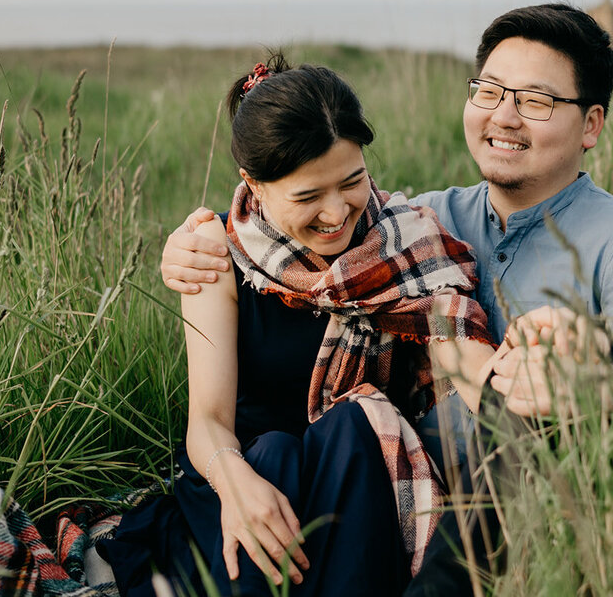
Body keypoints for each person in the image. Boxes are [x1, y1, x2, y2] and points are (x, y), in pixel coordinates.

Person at [158, 5, 613, 592]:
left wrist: (582, 382)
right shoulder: (423, 220)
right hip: (368, 485)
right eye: (490, 91)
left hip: (510, 505)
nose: (505, 116)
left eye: (536, 102)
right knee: (308, 447)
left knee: (395, 422)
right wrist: (191, 246)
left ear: (591, 124)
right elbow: (299, 215)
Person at [98, 55, 497, 597]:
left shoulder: (404, 244)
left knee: (357, 422)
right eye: (307, 197)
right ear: (253, 185)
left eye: (352, 182)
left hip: (353, 481)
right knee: (273, 455)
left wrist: (514, 383)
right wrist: (237, 485)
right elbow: (208, 422)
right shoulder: (216, 252)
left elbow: (456, 346)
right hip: (237, 475)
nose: (337, 213)